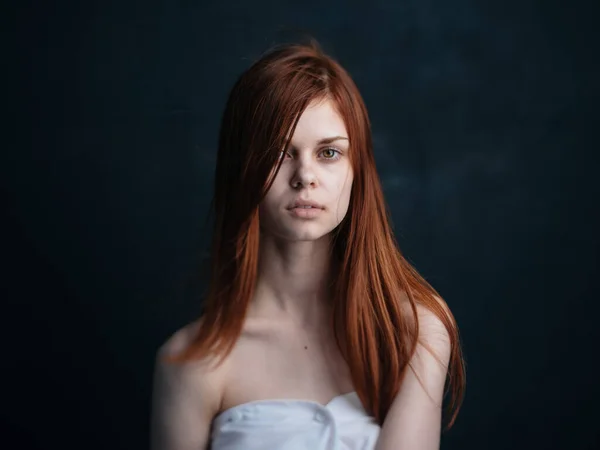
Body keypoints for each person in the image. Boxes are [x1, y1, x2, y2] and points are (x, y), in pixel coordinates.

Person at [150, 38, 466, 450]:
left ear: (358, 171)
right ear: (242, 168)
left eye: (329, 153)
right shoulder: (191, 363)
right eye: (279, 153)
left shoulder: (413, 332)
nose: (305, 176)